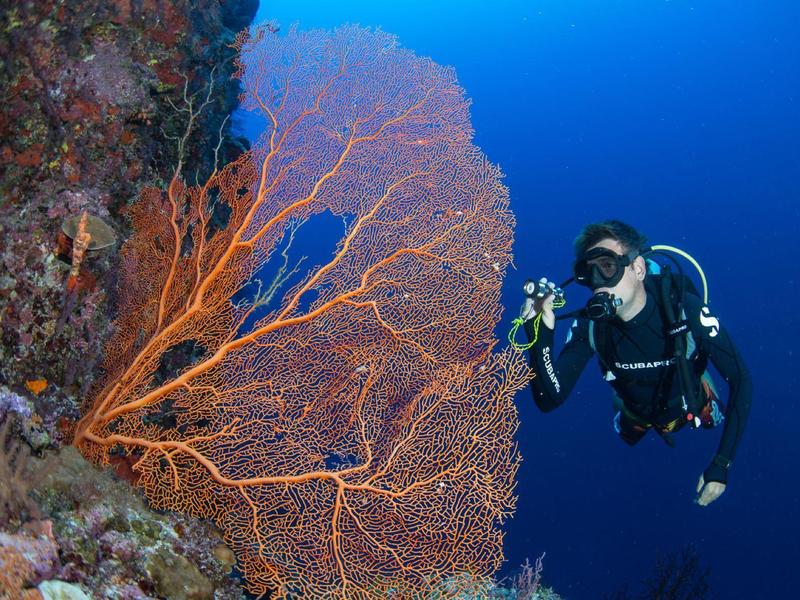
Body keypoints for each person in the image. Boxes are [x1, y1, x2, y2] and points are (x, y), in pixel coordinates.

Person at [520, 220, 751, 506]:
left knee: (712, 417)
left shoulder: (684, 308)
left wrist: (722, 463)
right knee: (627, 431)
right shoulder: (591, 326)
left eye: (607, 266)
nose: (598, 283)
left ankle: (701, 386)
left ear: (638, 268)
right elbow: (549, 399)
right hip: (635, 412)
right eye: (588, 273)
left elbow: (741, 379)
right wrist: (539, 335)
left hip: (688, 404)